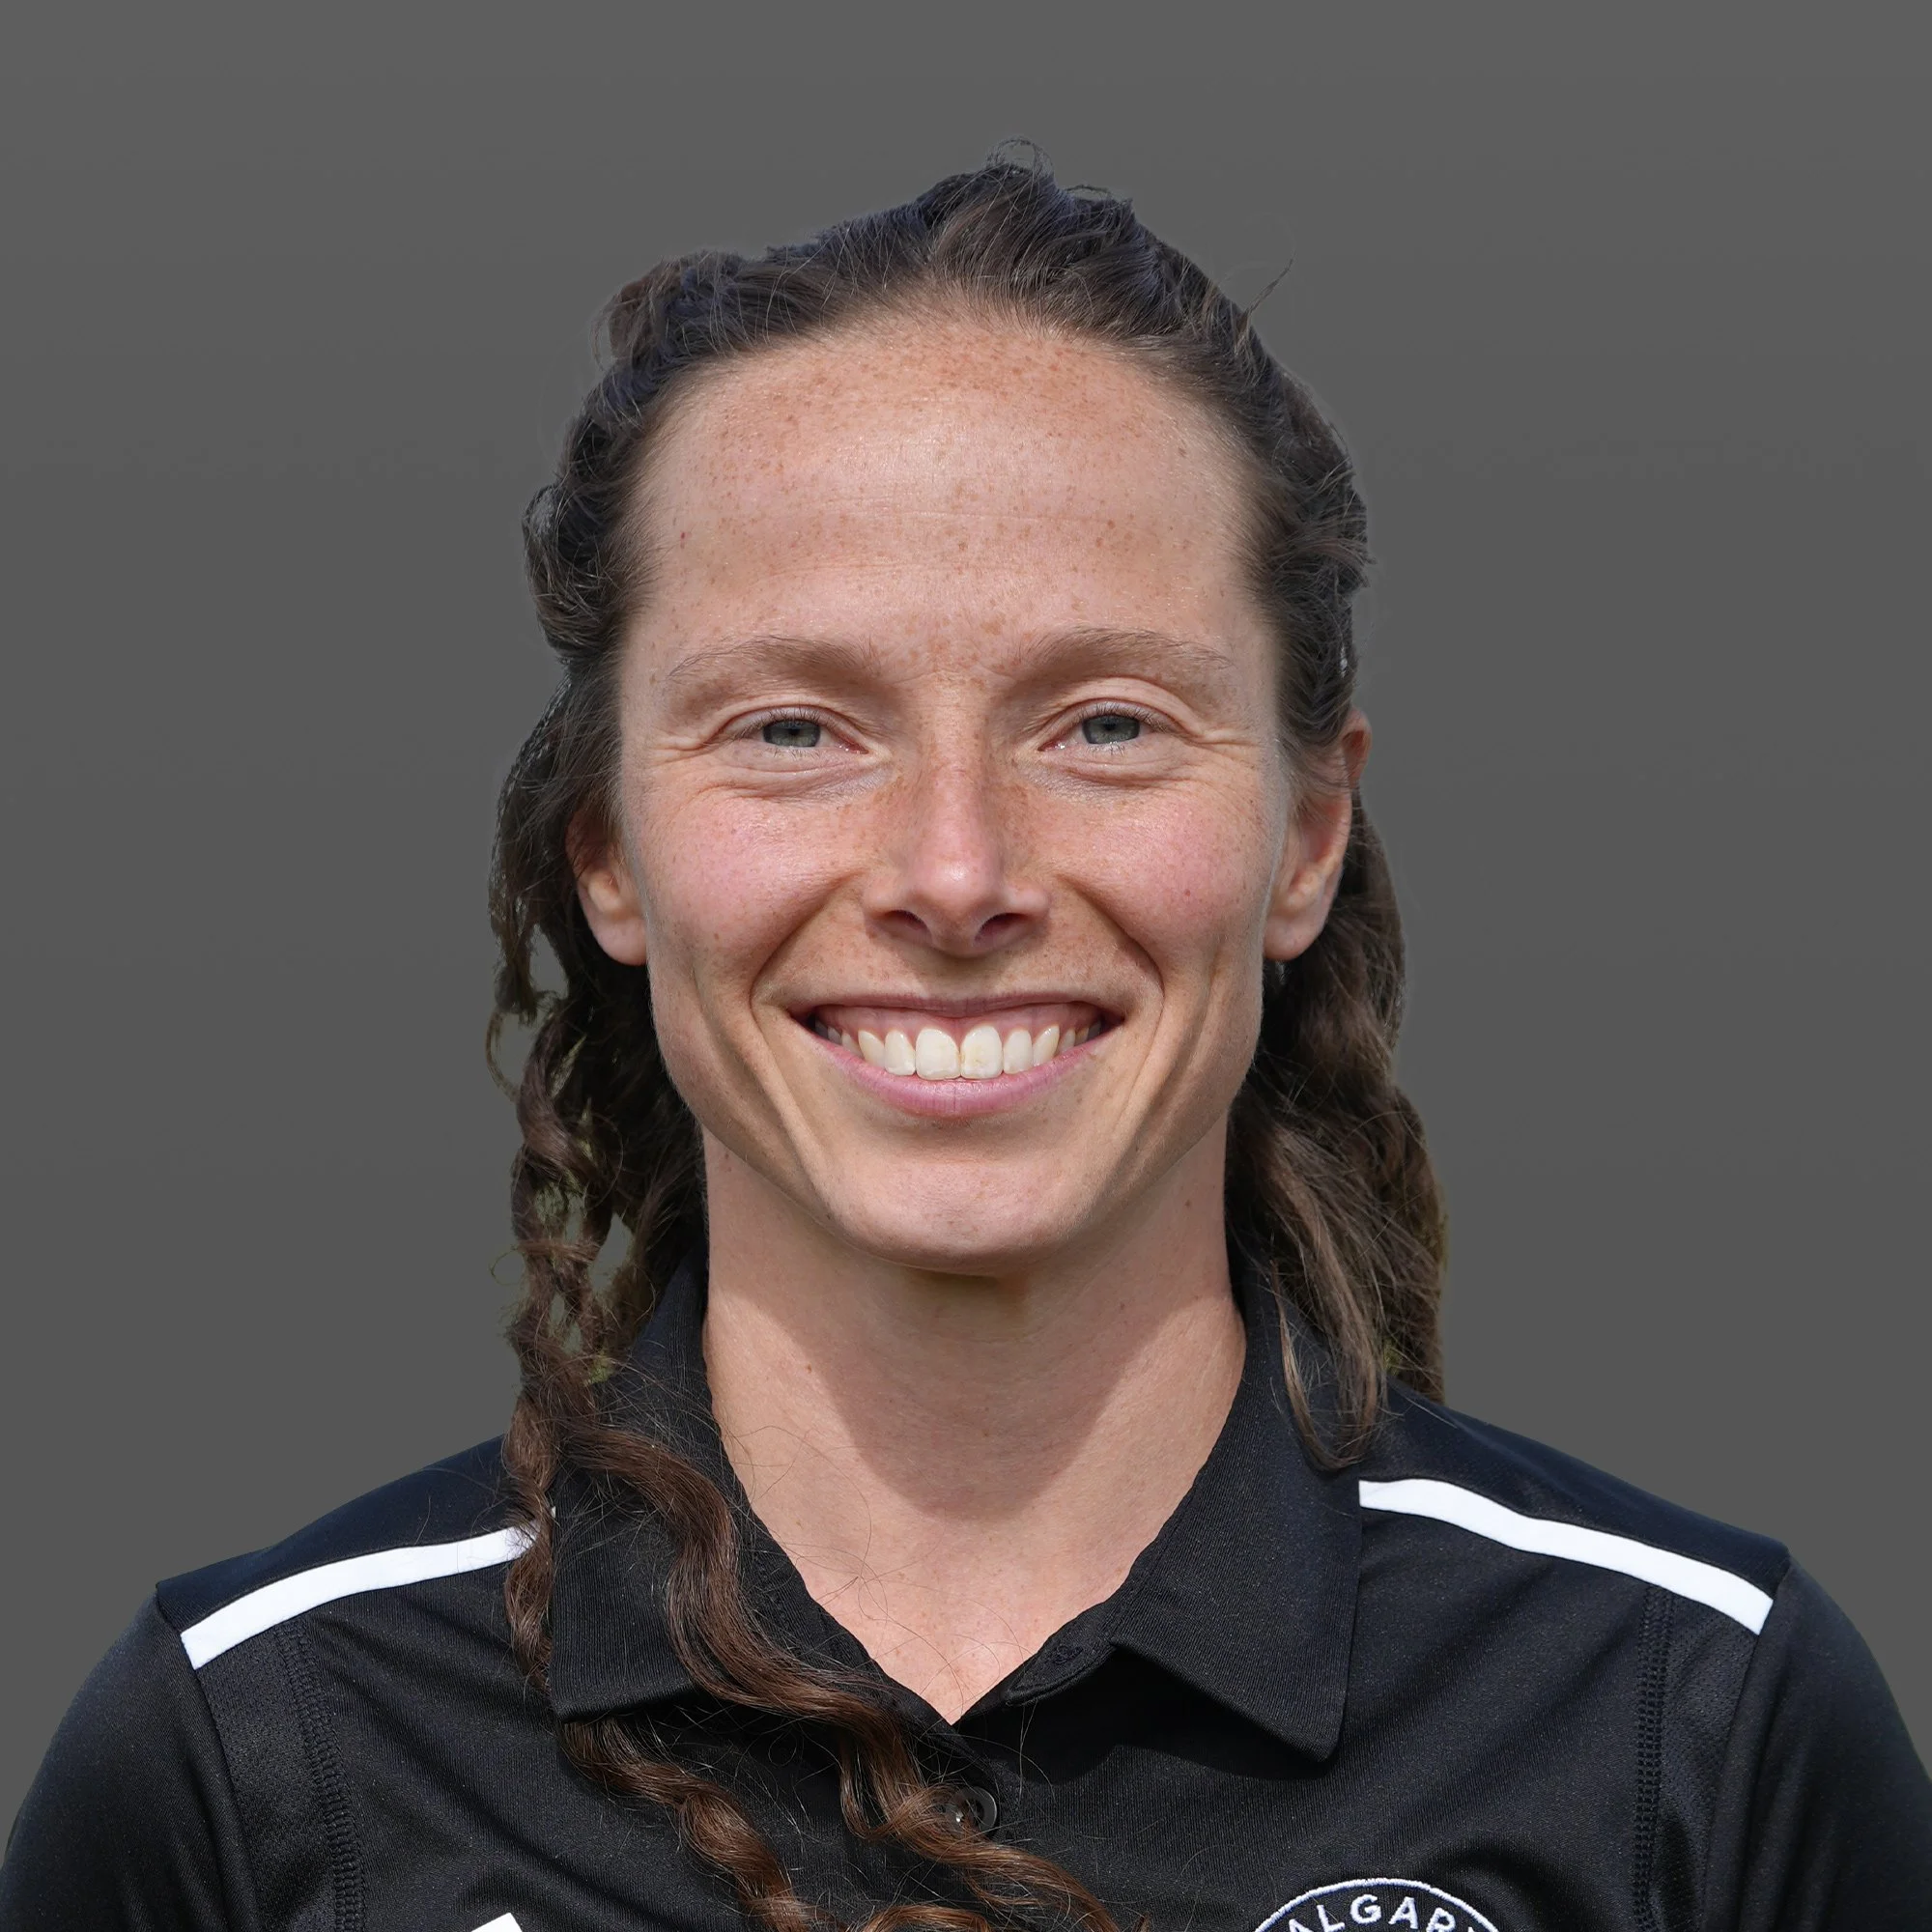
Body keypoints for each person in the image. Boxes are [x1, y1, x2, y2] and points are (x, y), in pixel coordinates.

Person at [3, 156, 1927, 1932]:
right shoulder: (262, 1756)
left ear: (1306, 835)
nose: (954, 873)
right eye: (792, 729)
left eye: (1104, 725)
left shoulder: (1685, 1719)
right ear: (606, 849)